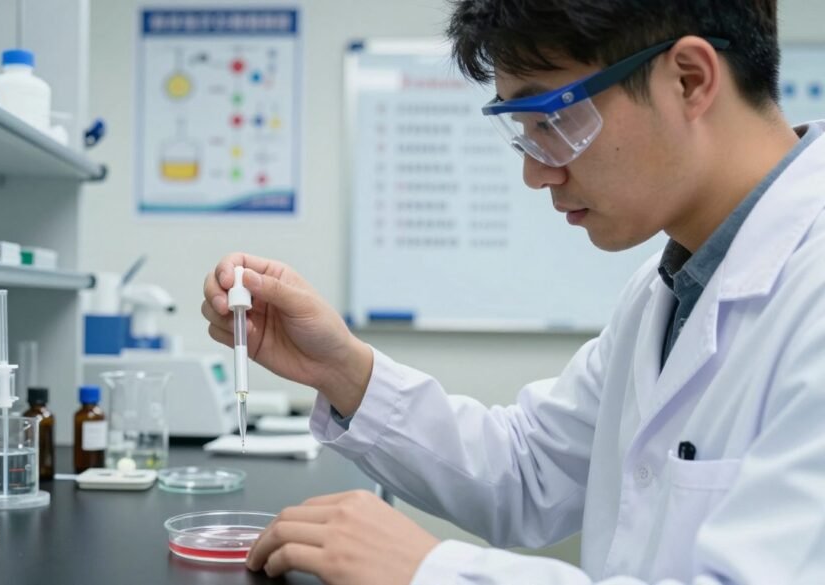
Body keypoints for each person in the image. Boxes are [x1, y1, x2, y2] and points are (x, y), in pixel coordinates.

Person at [201, 1, 825, 583]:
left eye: (553, 118)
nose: (535, 172)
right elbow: (530, 469)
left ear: (688, 80)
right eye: (521, 129)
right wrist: (341, 369)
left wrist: (433, 571)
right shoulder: (671, 288)